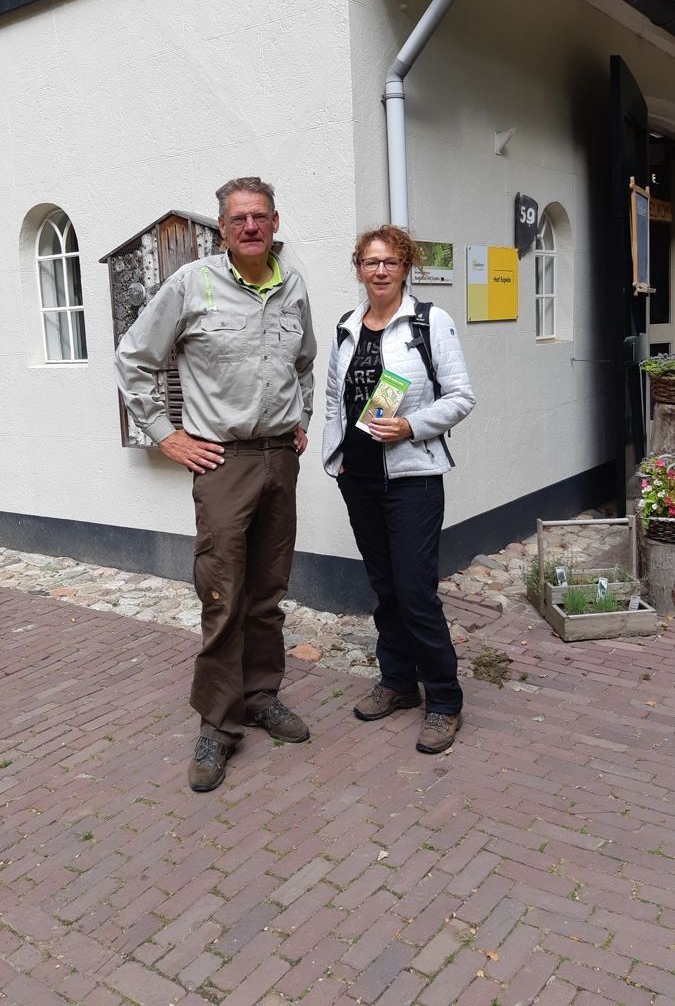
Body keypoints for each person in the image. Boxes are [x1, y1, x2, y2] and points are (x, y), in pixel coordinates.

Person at [115, 177, 316, 791]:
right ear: (223, 228)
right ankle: (218, 726)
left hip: (280, 458)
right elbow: (134, 358)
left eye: (260, 217)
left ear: (275, 221)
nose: (250, 227)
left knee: (267, 590)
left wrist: (301, 419)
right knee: (223, 593)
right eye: (238, 219)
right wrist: (165, 434)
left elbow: (305, 361)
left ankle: (261, 697)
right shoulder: (193, 283)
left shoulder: (292, 285)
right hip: (222, 462)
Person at [323, 225, 475, 754]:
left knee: (415, 591)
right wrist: (335, 458)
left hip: (412, 477)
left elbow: (461, 397)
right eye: (370, 262)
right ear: (359, 269)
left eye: (390, 261)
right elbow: (334, 400)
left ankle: (445, 701)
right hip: (359, 479)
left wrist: (412, 427)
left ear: (405, 266)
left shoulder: (430, 322)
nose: (380, 270)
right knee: (385, 589)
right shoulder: (346, 326)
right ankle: (397, 682)